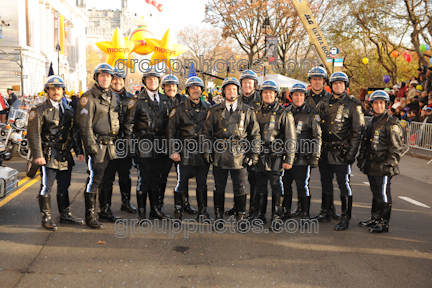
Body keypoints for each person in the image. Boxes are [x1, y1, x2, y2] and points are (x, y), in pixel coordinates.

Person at [202, 77, 261, 231]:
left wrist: (253, 154)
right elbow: (206, 134)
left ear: (238, 91)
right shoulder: (214, 110)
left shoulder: (247, 110)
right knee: (219, 187)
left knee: (240, 188)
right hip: (219, 154)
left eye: (234, 89)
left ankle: (240, 216)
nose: (231, 92)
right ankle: (219, 217)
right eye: (228, 89)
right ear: (223, 92)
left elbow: (255, 135)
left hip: (239, 155)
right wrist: (206, 150)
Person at [27, 76, 84, 231]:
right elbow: (33, 134)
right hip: (48, 153)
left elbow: (74, 132)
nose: (56, 91)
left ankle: (65, 213)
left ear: (63, 91)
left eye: (59, 88)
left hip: (65, 153)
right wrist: (38, 155)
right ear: (47, 91)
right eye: (53, 89)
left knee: (64, 185)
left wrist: (79, 151)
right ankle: (46, 217)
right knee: (46, 186)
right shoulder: (39, 110)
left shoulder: (68, 109)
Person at [314, 72, 365, 231]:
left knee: (344, 185)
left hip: (342, 152)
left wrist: (351, 154)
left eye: (341, 83)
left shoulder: (353, 104)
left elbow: (358, 131)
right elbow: (317, 127)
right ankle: (325, 211)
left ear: (345, 85)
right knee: (325, 183)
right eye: (335, 83)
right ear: (331, 85)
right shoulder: (323, 103)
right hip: (325, 151)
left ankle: (345, 217)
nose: (337, 86)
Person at [123, 69, 172, 221]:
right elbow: (128, 125)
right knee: (144, 179)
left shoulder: (165, 100)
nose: (153, 82)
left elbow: (170, 125)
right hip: (143, 144)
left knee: (156, 179)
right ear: (145, 81)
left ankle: (155, 210)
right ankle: (142, 213)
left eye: (155, 80)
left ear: (159, 82)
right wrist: (131, 148)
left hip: (160, 145)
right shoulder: (136, 100)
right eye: (149, 80)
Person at [77, 63, 121, 229]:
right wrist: (91, 148)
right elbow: (84, 126)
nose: (105, 78)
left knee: (108, 180)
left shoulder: (113, 96)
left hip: (112, 145)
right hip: (98, 144)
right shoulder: (88, 98)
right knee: (94, 181)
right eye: (102, 75)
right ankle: (90, 215)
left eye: (108, 76)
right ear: (96, 77)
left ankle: (105, 210)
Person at [248, 80, 296, 229]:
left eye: (271, 92)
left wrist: (289, 158)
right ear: (261, 94)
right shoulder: (255, 111)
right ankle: (260, 214)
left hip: (275, 155)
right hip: (259, 155)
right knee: (260, 185)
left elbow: (290, 137)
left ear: (276, 94)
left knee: (276, 185)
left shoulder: (284, 113)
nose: (268, 95)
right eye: (265, 92)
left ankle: (276, 215)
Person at [357, 90, 403, 233]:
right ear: (371, 105)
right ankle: (374, 218)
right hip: (372, 164)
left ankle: (384, 223)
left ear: (386, 105)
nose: (378, 106)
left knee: (384, 194)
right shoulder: (371, 121)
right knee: (376, 192)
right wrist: (361, 159)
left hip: (383, 165)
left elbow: (396, 148)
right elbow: (365, 143)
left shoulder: (392, 123)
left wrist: (389, 165)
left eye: (381, 103)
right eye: (375, 103)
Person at [168, 76, 212, 222]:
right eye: (192, 88)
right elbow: (172, 132)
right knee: (182, 182)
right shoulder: (179, 109)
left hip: (202, 152)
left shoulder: (208, 108)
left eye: (198, 88)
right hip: (185, 151)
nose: (195, 90)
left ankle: (202, 212)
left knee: (202, 182)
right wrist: (174, 151)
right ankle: (178, 212)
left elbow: (212, 131)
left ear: (202, 91)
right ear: (188, 91)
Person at [98, 68, 137, 223]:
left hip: (125, 143)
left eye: (120, 80)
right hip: (108, 143)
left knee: (125, 174)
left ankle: (125, 202)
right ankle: (104, 208)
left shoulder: (131, 98)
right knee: (107, 176)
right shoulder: (104, 96)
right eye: (114, 79)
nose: (117, 82)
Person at [303, 66, 341, 220]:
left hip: (326, 143)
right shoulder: (303, 97)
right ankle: (301, 206)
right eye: (314, 79)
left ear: (324, 81)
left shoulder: (332, 98)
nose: (317, 82)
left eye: (320, 79)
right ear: (310, 81)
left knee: (327, 178)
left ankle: (328, 208)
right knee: (303, 178)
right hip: (306, 142)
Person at [281, 83, 321, 222]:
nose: (298, 97)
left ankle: (305, 212)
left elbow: (317, 137)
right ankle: (286, 210)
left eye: (301, 95)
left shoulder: (312, 114)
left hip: (302, 157)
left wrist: (315, 156)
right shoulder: (284, 111)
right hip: (286, 156)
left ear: (305, 97)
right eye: (296, 95)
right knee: (285, 184)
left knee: (302, 185)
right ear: (291, 96)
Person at [158, 75, 197, 216]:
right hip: (163, 145)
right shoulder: (159, 101)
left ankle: (184, 204)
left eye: (173, 85)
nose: (171, 88)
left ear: (178, 87)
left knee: (183, 177)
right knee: (162, 177)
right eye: (167, 85)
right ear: (163, 88)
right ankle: (159, 206)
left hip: (181, 146)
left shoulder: (185, 101)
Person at [225, 70, 262, 218]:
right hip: (237, 147)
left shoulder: (262, 99)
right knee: (238, 180)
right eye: (244, 82)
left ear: (254, 84)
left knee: (254, 178)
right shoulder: (235, 99)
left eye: (250, 82)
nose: (247, 85)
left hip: (253, 144)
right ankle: (237, 206)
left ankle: (253, 208)